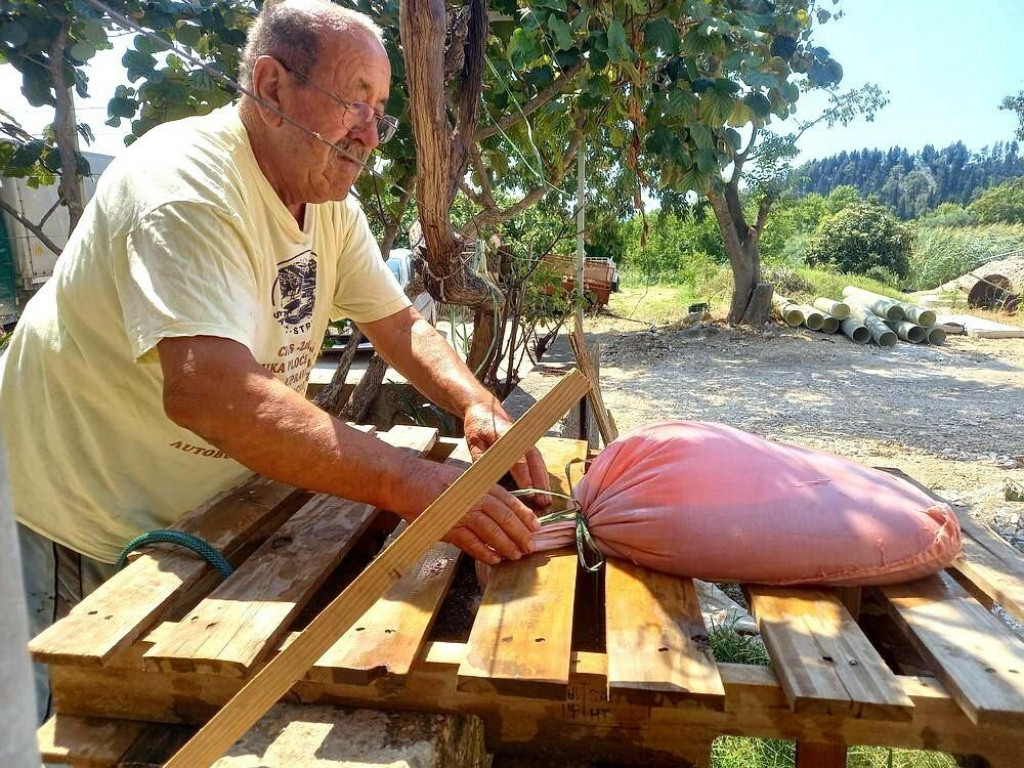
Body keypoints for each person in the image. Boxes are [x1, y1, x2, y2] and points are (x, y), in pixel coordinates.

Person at [0, 0, 549, 724]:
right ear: (269, 85)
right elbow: (210, 394)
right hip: (75, 514)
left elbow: (399, 326)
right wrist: (418, 484)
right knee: (58, 724)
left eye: (380, 111)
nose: (369, 133)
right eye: (355, 101)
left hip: (198, 512)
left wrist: (475, 402)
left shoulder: (329, 207)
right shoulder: (184, 186)